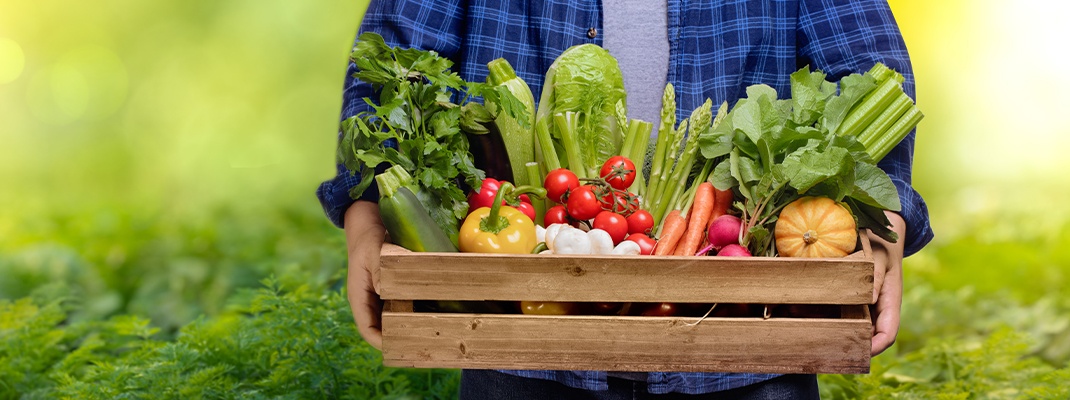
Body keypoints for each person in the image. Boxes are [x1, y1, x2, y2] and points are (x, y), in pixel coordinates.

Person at [317, 0, 934, 398]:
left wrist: (882, 227)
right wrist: (368, 212)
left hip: (747, 344)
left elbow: (869, 69)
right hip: (522, 337)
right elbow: (392, 66)